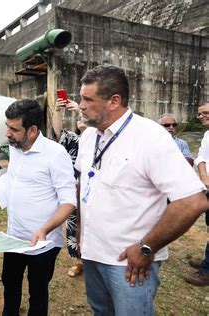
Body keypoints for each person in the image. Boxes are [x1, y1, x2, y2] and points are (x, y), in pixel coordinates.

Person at [74, 64, 207, 315]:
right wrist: (81, 229)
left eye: (87, 99)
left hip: (128, 262)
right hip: (92, 252)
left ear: (114, 101)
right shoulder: (89, 136)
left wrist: (147, 248)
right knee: (101, 311)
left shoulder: (151, 137)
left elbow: (193, 201)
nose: (80, 105)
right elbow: (84, 182)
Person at [0, 99, 76, 315]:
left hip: (43, 243)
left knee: (38, 292)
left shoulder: (56, 154)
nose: (8, 133)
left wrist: (44, 229)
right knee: (10, 286)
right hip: (14, 238)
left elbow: (69, 202)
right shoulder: (15, 148)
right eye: (7, 126)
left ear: (32, 130)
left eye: (14, 129)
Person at [52, 97, 87, 277]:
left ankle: (94, 262)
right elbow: (57, 133)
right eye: (78, 118)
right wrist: (58, 111)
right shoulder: (73, 140)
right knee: (74, 225)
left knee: (93, 225)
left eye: (84, 116)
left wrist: (79, 111)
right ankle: (79, 261)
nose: (80, 119)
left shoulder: (100, 139)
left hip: (96, 194)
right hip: (74, 192)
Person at [184, 102, 209, 286]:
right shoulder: (207, 135)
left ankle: (206, 272)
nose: (201, 117)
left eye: (205, 113)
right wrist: (203, 175)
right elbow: (201, 157)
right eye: (200, 114)